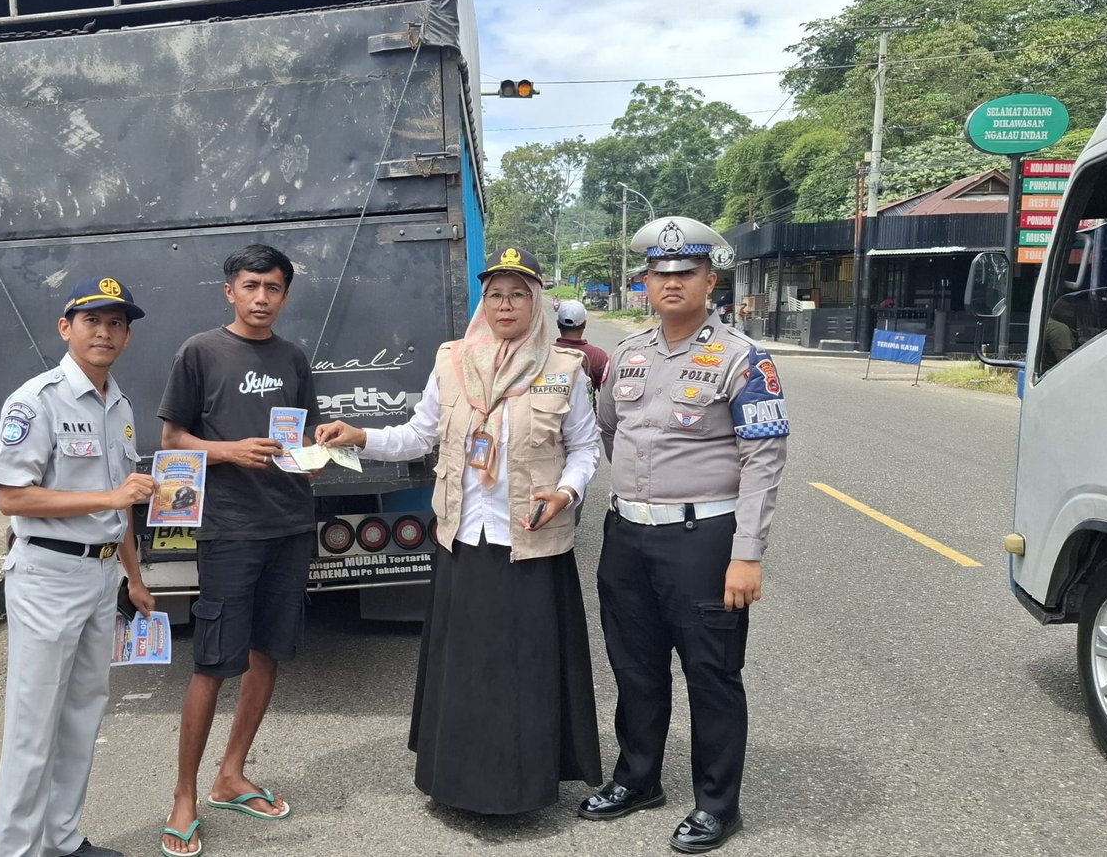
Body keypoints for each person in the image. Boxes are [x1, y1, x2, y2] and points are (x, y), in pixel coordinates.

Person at [316, 246, 603, 815]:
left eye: (519, 294)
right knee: (467, 668)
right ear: (484, 301)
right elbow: (418, 436)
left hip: (529, 540)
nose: (506, 304)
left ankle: (525, 787)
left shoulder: (563, 369)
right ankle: (460, 784)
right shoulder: (451, 362)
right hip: (465, 540)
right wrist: (360, 437)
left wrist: (567, 491)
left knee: (525, 666)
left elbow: (586, 449)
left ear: (536, 302)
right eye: (496, 293)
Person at [579, 217, 788, 854]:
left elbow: (764, 460)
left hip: (704, 540)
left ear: (710, 280)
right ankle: (638, 778)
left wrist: (746, 554)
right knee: (635, 668)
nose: (671, 283)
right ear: (644, 282)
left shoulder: (743, 358)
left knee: (712, 673)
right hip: (628, 535)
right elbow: (609, 430)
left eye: (685, 273)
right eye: (659, 273)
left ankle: (717, 804)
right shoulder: (628, 355)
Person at [156, 243, 318, 857]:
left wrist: (315, 456)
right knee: (213, 664)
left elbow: (300, 437)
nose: (260, 298)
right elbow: (172, 440)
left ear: (284, 294)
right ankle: (183, 797)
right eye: (250, 286)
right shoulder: (200, 352)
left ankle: (232, 773)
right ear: (230, 290)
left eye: (272, 288)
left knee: (268, 652)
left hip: (289, 524)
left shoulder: (294, 357)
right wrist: (229, 451)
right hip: (228, 528)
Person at [0, 276, 158, 857]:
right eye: (93, 321)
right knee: (33, 728)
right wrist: (110, 498)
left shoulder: (121, 405)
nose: (105, 333)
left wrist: (134, 578)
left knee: (84, 713)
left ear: (128, 336)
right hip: (47, 577)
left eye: (117, 323)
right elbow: (13, 497)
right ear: (66, 328)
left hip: (100, 576)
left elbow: (126, 507)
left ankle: (63, 839)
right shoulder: (35, 401)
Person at [556, 299, 610, 395]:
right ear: (584, 324)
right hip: (586, 409)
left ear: (558, 324)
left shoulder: (545, 354)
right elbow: (607, 394)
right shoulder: (598, 356)